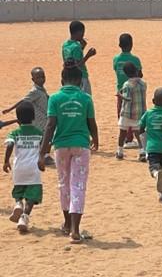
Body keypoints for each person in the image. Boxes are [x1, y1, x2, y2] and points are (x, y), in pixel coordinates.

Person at [39, 66, 99, 244]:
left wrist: (43, 152)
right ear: (81, 81)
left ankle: (66, 223)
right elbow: (91, 122)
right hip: (81, 145)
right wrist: (95, 138)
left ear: (61, 80)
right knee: (78, 185)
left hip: (61, 146)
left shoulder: (55, 98)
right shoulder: (86, 98)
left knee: (63, 184)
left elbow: (50, 125)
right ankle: (75, 229)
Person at [3, 101, 44, 232]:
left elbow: (9, 145)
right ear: (33, 117)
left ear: (18, 119)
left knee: (19, 189)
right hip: (33, 168)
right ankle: (24, 217)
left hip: (18, 167)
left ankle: (18, 203)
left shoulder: (15, 133)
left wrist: (6, 161)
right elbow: (45, 146)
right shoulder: (38, 132)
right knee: (33, 194)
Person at [139, 88, 162, 204]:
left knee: (154, 168)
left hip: (152, 146)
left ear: (153, 100)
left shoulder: (148, 113)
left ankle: (155, 174)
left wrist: (143, 138)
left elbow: (140, 127)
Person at [113, 33, 143, 149]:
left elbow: (116, 70)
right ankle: (130, 139)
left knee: (121, 112)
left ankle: (125, 136)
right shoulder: (135, 59)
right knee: (133, 113)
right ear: (131, 45)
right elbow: (140, 74)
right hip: (133, 90)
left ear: (119, 45)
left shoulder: (116, 59)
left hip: (120, 90)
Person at [116, 62, 147, 161]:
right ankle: (142, 151)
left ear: (126, 74)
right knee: (138, 133)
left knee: (122, 132)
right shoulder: (143, 83)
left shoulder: (127, 84)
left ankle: (120, 152)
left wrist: (120, 95)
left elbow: (128, 98)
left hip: (127, 113)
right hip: (140, 113)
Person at [3, 67, 49, 132]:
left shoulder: (41, 89)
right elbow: (23, 101)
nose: (41, 79)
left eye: (43, 77)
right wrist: (10, 109)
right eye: (38, 78)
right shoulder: (34, 91)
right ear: (33, 80)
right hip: (39, 121)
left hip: (44, 117)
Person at [62, 21, 96, 95]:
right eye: (83, 32)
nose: (83, 35)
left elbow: (72, 58)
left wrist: (82, 47)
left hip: (69, 77)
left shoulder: (65, 45)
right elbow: (77, 64)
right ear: (79, 32)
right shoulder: (76, 46)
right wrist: (88, 55)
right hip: (81, 77)